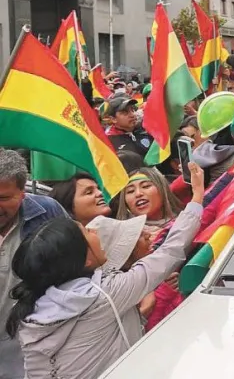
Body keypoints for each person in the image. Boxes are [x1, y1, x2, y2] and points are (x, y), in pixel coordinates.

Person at [8, 163, 204, 379]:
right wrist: (196, 199)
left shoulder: (34, 305)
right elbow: (170, 251)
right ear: (84, 260)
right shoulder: (105, 295)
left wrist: (137, 316)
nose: (94, 231)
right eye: (85, 232)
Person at [0, 150, 68, 378]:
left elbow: (74, 263)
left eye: (4, 198)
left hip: (35, 338)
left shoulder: (47, 213)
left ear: (23, 193)